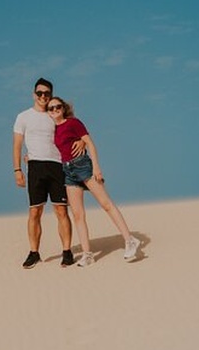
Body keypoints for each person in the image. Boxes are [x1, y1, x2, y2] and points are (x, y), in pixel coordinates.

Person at [45, 96, 141, 266]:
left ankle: (130, 240)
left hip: (83, 165)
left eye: (57, 106)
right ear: (48, 112)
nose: (54, 110)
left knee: (106, 204)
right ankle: (87, 254)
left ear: (63, 107)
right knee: (77, 214)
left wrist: (96, 167)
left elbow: (90, 143)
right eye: (51, 108)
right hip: (67, 171)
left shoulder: (73, 122)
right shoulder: (53, 130)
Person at [13, 78, 84, 269]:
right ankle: (34, 252)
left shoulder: (55, 114)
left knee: (61, 210)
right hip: (35, 167)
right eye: (39, 93)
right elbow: (17, 145)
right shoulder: (23, 116)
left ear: (51, 95)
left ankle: (67, 252)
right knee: (35, 210)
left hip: (57, 166)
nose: (43, 96)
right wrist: (17, 169)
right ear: (33, 94)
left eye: (46, 93)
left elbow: (74, 130)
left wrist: (82, 142)